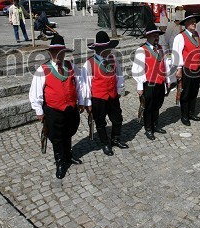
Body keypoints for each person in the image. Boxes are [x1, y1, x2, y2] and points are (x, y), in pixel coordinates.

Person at [29, 35, 84, 179]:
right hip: (53, 110)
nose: (58, 55)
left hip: (70, 108)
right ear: (50, 53)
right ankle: (60, 162)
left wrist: (82, 101)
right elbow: (36, 92)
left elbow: (79, 85)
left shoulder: (71, 66)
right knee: (57, 137)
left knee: (68, 132)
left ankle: (68, 156)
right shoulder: (43, 70)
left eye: (61, 51)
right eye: (55, 52)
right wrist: (39, 110)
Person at [82, 31, 127, 156]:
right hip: (98, 98)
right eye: (105, 48)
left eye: (109, 48)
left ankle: (115, 139)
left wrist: (118, 90)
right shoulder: (89, 63)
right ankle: (105, 144)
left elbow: (119, 75)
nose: (108, 51)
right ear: (98, 49)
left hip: (112, 96)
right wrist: (88, 102)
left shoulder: (113, 59)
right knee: (100, 122)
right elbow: (86, 84)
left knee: (117, 119)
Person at [132, 23, 168, 140]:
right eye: (154, 35)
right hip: (149, 83)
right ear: (148, 36)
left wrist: (166, 80)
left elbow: (164, 66)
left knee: (157, 105)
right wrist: (140, 86)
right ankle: (148, 128)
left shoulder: (161, 48)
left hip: (160, 82)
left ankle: (155, 124)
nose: (156, 37)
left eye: (157, 35)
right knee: (148, 107)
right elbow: (137, 70)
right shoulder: (141, 50)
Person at [172, 13, 200, 126]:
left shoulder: (196, 35)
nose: (194, 23)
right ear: (186, 23)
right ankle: (184, 115)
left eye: (195, 21)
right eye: (192, 21)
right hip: (186, 68)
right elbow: (177, 54)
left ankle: (191, 112)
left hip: (196, 68)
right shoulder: (180, 37)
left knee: (194, 91)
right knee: (185, 93)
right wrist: (179, 68)